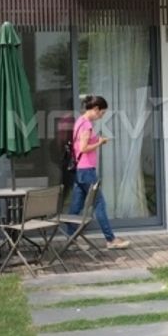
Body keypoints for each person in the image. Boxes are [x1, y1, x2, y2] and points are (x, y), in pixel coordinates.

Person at [68, 95, 129, 250]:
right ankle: (111, 239)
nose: (101, 116)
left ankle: (71, 240)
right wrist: (99, 143)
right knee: (99, 204)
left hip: (80, 170)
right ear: (95, 109)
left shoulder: (79, 121)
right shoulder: (87, 125)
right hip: (87, 170)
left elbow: (80, 145)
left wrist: (97, 140)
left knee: (75, 206)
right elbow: (83, 148)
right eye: (102, 113)